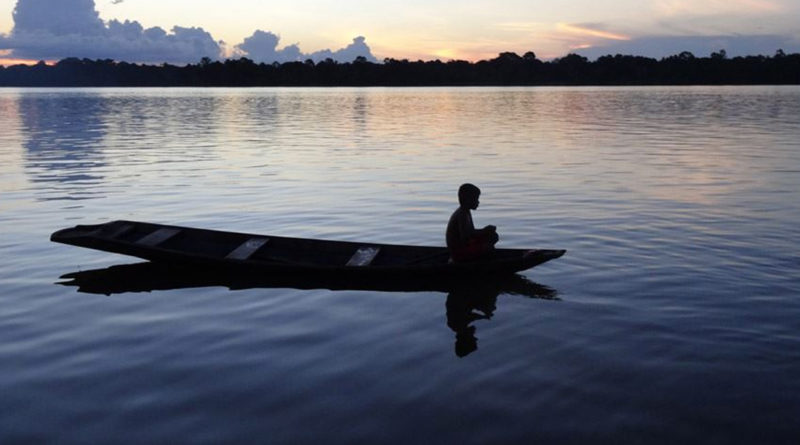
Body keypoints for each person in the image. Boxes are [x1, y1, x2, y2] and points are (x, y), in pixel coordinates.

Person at [446, 183, 499, 262]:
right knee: (488, 245)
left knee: (492, 236)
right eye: (476, 199)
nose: (478, 202)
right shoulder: (462, 214)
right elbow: (466, 236)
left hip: (463, 246)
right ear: (467, 200)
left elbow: (470, 232)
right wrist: (484, 231)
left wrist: (485, 231)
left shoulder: (466, 211)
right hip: (459, 252)